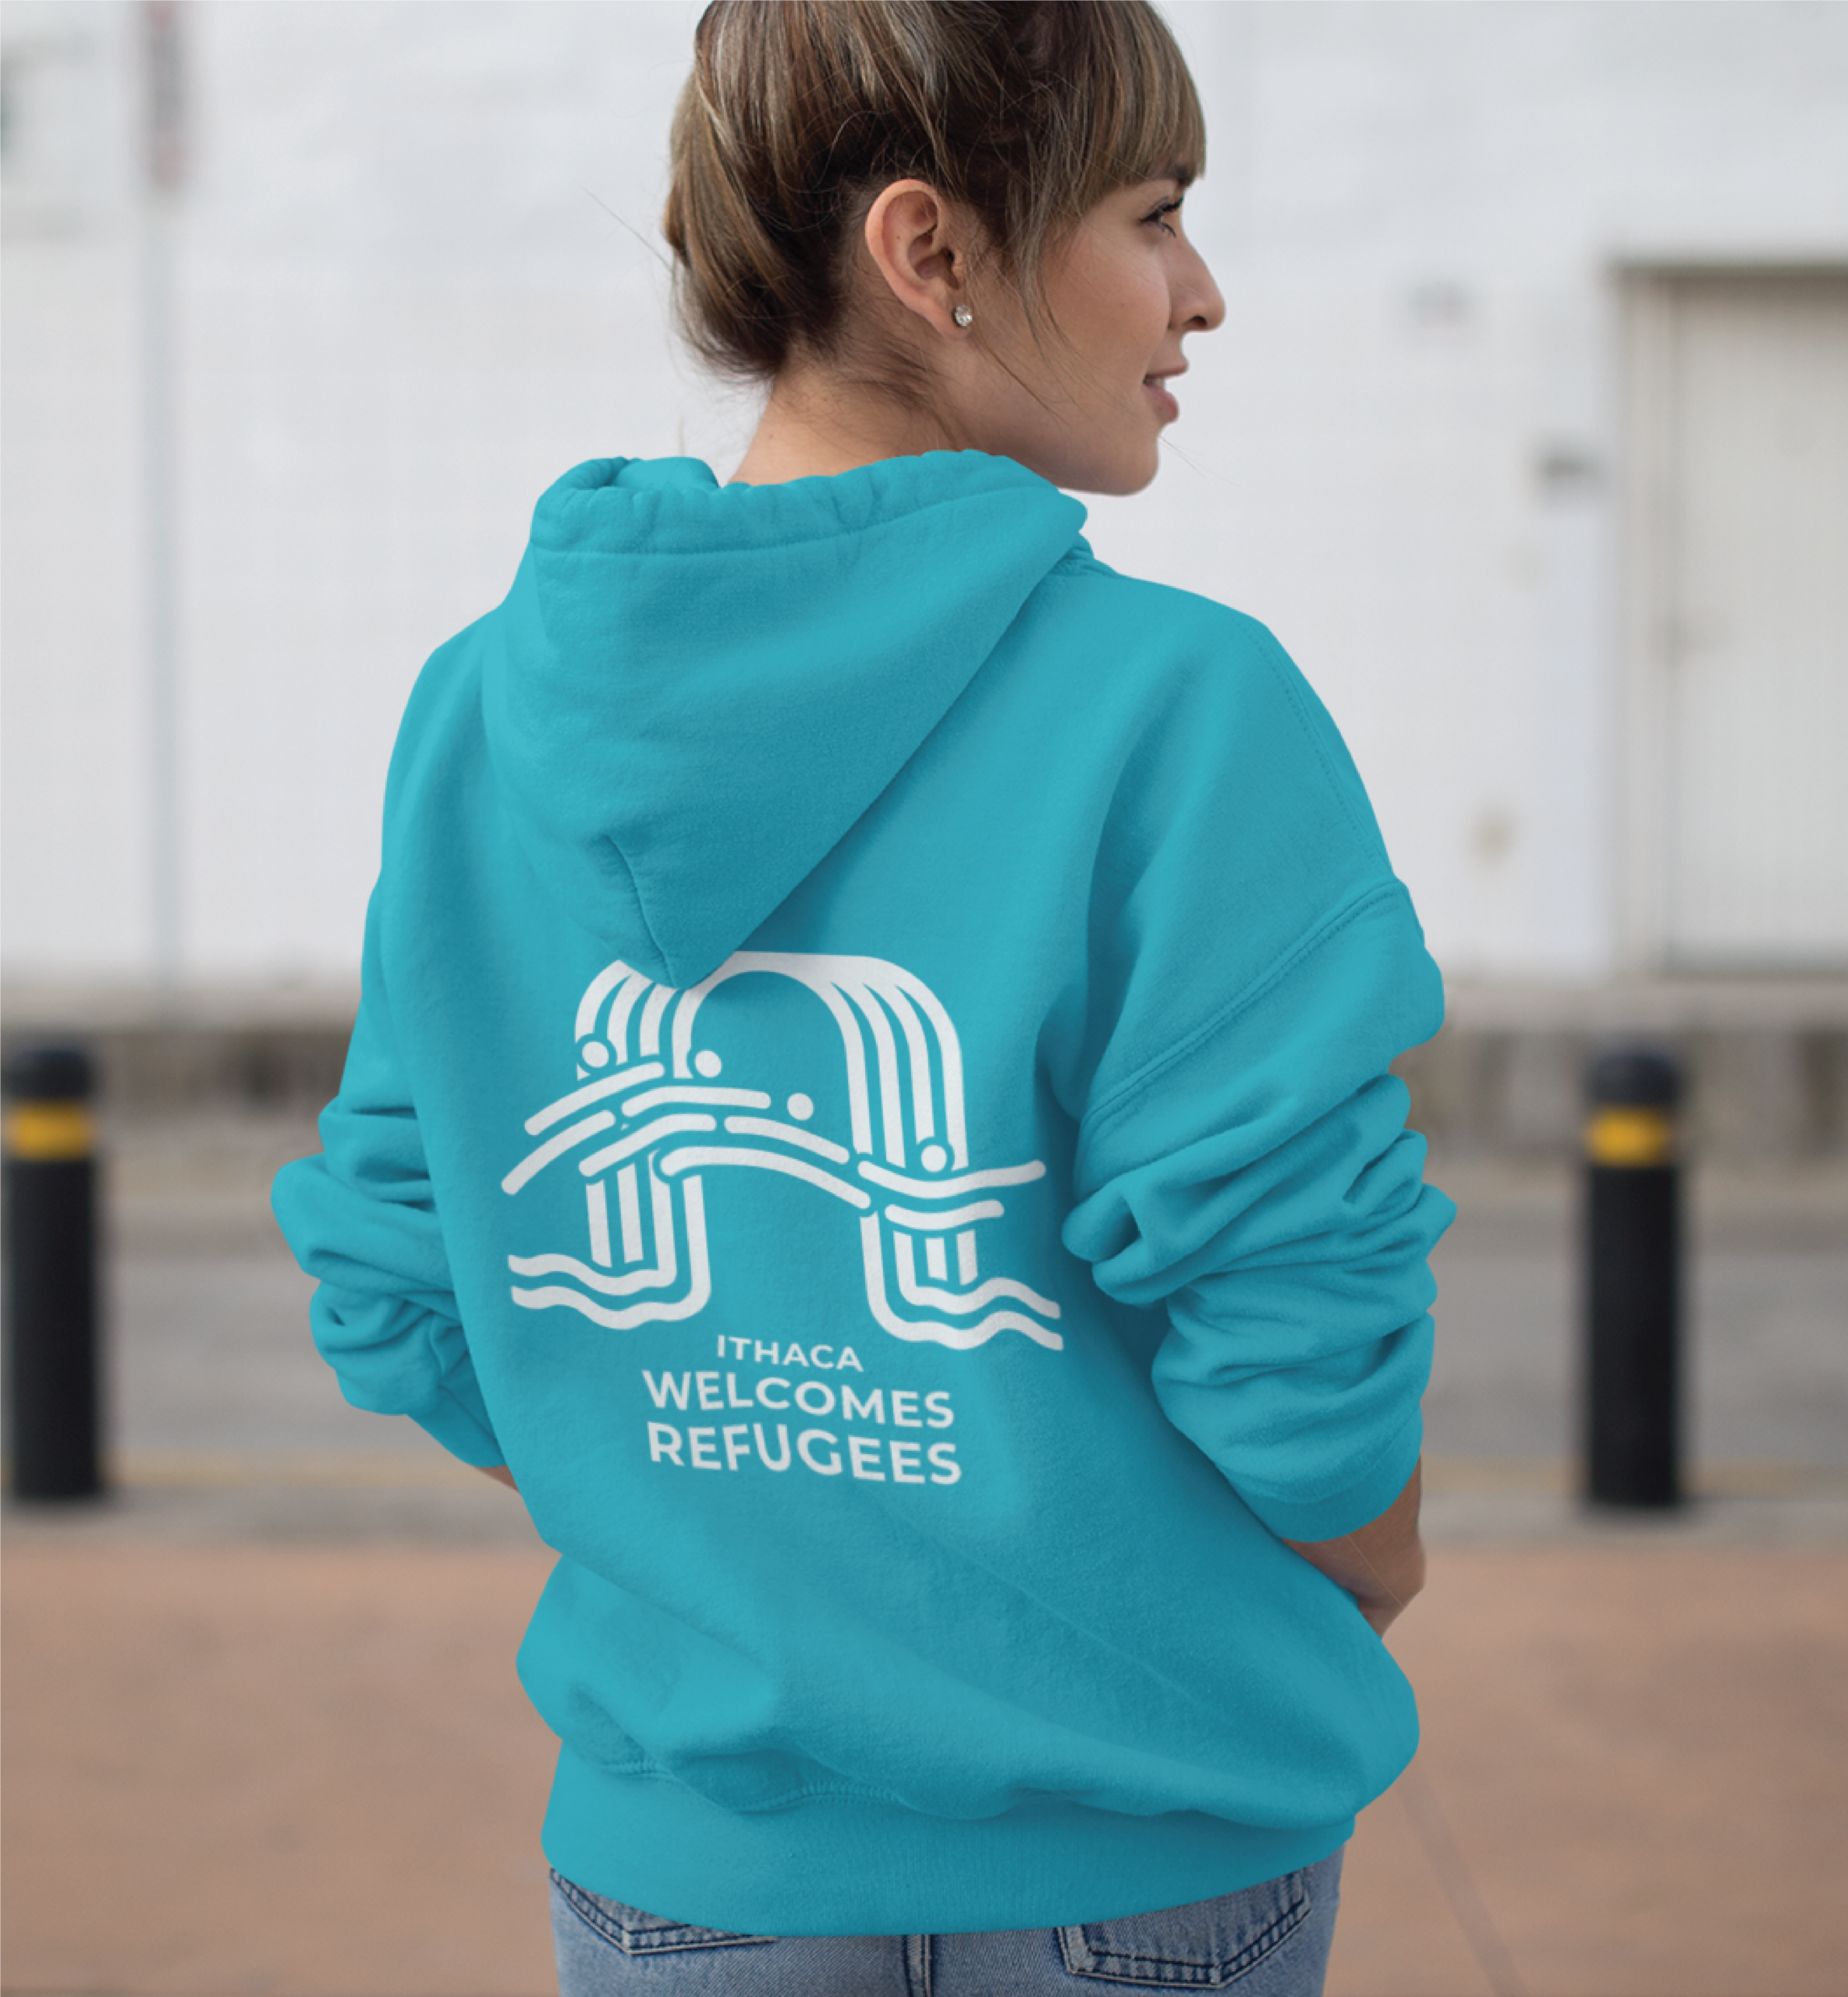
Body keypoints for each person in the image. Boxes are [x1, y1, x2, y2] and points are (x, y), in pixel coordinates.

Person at [272, 0, 1453, 1990]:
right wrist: (1376, 1563)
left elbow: (406, 1279)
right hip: (1141, 1827)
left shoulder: (483, 709)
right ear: (933, 253)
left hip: (690, 1861)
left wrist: (719, 1525)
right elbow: (1295, 1329)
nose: (1201, 291)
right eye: (1151, 214)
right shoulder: (1179, 706)